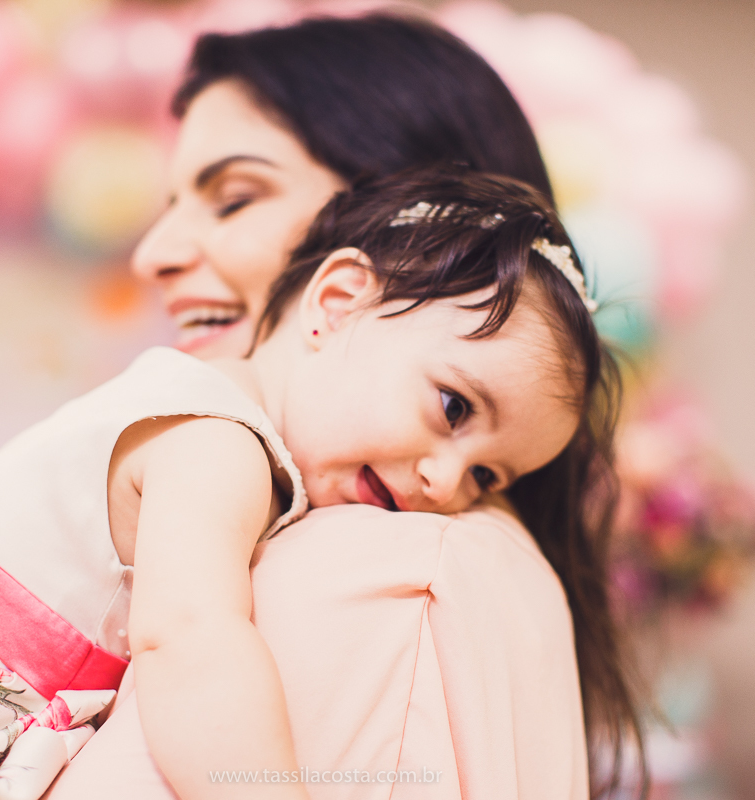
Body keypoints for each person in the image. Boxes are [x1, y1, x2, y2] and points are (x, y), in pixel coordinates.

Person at [0, 167, 599, 800]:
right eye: (452, 406)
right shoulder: (216, 439)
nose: (448, 481)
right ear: (337, 302)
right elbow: (192, 642)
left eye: (490, 473)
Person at [51, 14, 641, 799]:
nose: (152, 254)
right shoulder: (236, 456)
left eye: (234, 197)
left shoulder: (395, 569)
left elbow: (191, 651)